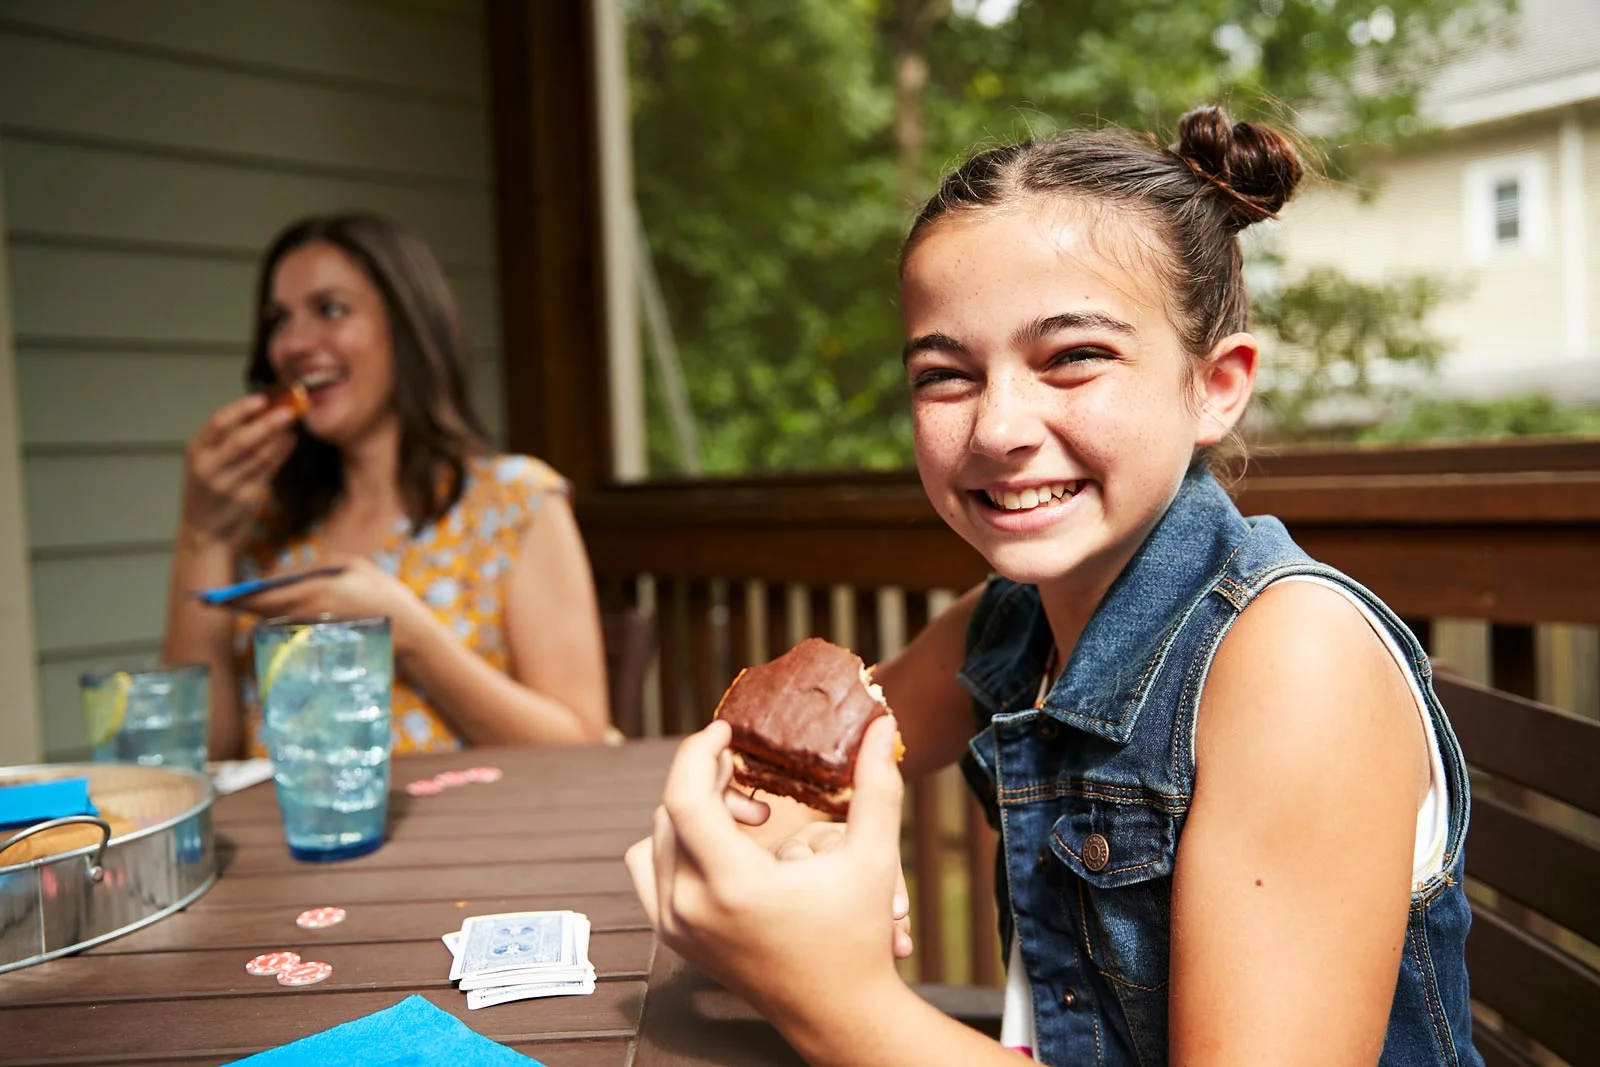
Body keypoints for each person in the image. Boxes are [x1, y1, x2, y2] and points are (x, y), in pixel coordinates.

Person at [626, 107, 1480, 1066]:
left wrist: (830, 995)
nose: (997, 428)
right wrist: (777, 860)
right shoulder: (1009, 624)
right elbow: (806, 781)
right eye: (945, 376)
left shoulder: (1294, 662)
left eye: (1073, 357)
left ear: (1218, 383)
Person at [162, 213, 612, 758]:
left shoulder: (512, 502)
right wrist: (201, 536)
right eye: (278, 320)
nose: (295, 343)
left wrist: (411, 636)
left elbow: (582, 745)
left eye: (330, 309)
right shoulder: (263, 522)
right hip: (289, 843)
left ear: (406, 328)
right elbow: (198, 755)